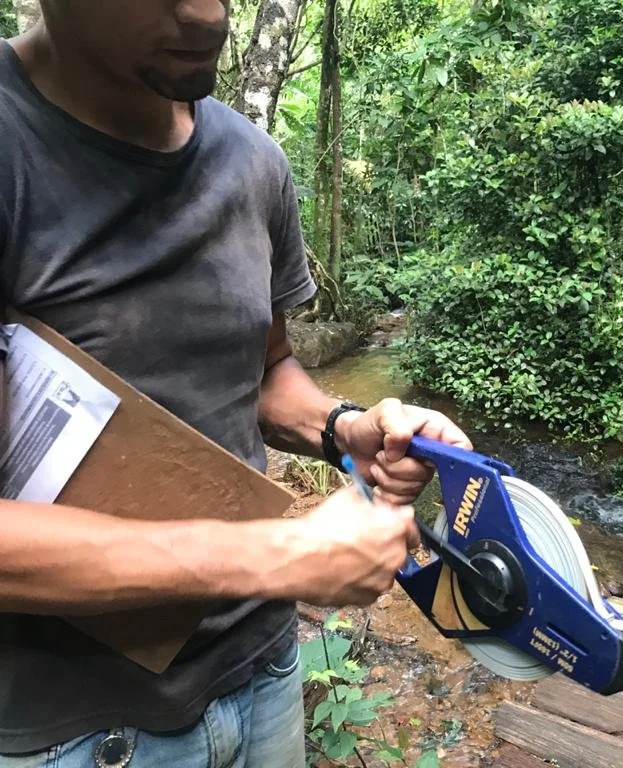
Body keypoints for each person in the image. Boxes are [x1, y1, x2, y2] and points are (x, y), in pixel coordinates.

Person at [0, 2, 472, 766]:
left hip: (264, 671)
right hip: (80, 729)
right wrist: (280, 555)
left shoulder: (252, 161)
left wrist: (345, 428)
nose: (207, 13)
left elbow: (265, 370)